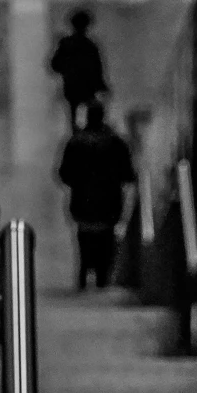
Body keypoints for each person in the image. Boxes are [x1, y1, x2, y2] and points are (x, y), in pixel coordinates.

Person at [56, 100, 136, 291]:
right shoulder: (116, 143)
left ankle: (84, 274)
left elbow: (64, 174)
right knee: (105, 241)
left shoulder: (75, 142)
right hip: (109, 203)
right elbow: (128, 174)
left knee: (84, 240)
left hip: (82, 203)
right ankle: (102, 276)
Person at [48, 8, 108, 128]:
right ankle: (92, 133)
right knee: (92, 113)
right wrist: (101, 85)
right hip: (88, 87)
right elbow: (97, 69)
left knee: (72, 116)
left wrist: (67, 71)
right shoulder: (90, 46)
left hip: (71, 86)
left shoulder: (66, 44)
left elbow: (55, 65)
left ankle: (75, 136)